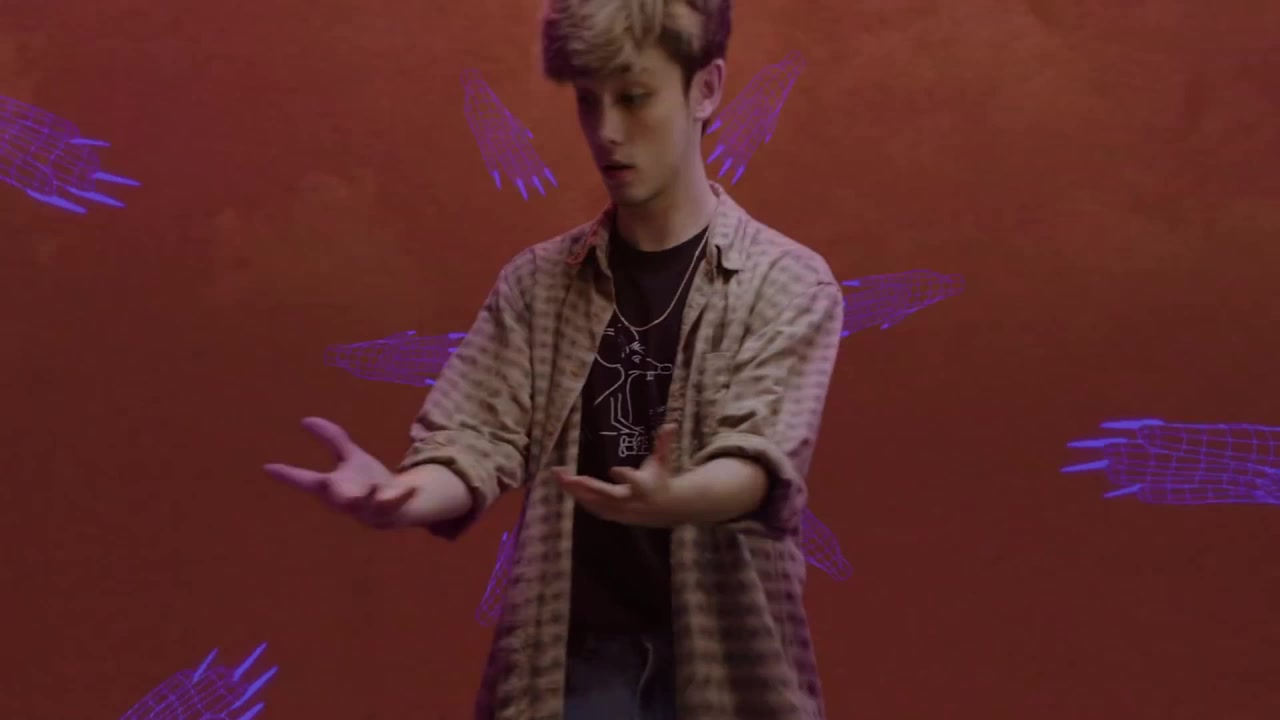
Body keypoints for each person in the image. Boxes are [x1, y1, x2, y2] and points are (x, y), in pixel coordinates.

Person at [263, 0, 844, 717]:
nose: (607, 131)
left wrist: (675, 498)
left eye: (635, 98)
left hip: (727, 667)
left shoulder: (788, 282)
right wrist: (399, 496)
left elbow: (761, 458)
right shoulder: (536, 284)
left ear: (707, 88)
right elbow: (474, 438)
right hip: (567, 674)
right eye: (588, 102)